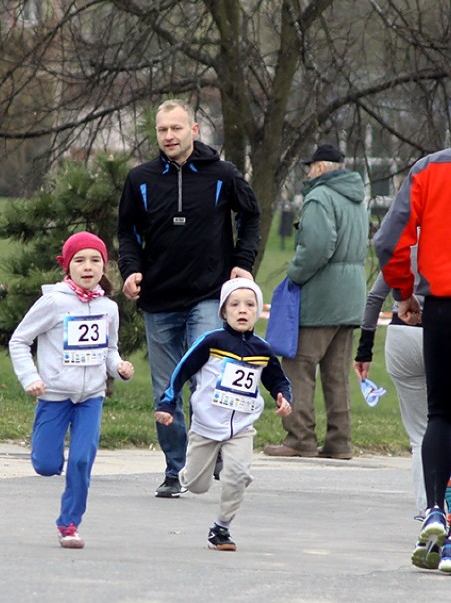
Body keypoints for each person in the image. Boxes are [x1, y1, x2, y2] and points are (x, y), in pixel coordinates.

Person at [117, 98, 261, 498]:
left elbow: (251, 215)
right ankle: (174, 468)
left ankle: (209, 448)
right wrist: (130, 271)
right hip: (159, 298)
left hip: (207, 294)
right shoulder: (140, 179)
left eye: (176, 129)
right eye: (162, 130)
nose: (169, 136)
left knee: (207, 379)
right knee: (167, 388)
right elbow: (126, 231)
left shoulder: (223, 174)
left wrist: (242, 262)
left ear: (193, 130)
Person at [9, 232, 135, 549]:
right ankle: (48, 456)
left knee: (81, 461)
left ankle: (69, 523)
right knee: (47, 465)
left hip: (91, 397)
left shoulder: (108, 307)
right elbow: (19, 341)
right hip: (54, 395)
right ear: (67, 266)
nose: (88, 267)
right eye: (80, 260)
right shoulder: (54, 301)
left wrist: (119, 368)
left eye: (95, 260)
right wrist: (30, 378)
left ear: (104, 267)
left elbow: (109, 351)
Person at [156, 278, 292, 551]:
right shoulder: (211, 342)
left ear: (257, 311)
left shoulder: (262, 350)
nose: (242, 310)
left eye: (250, 304)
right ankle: (187, 474)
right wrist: (167, 404)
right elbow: (180, 371)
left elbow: (278, 380)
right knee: (197, 486)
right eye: (235, 304)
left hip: (241, 427)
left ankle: (221, 528)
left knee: (238, 475)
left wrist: (283, 397)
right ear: (223, 311)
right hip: (206, 425)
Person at [373, 146, 451, 573]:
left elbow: (389, 241)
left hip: (440, 306)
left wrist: (404, 293)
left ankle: (436, 511)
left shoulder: (429, 168)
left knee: (439, 415)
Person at [264, 144, 368, 460]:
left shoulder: (320, 197)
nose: (307, 173)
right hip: (351, 294)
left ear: (320, 168)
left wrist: (294, 274)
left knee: (299, 365)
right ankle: (340, 442)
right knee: (336, 372)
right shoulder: (357, 199)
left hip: (322, 295)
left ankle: (300, 439)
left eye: (309, 167)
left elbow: (319, 246)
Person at [354, 262, 427, 518]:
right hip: (438, 328)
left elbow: (375, 297)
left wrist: (364, 349)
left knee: (420, 433)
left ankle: (427, 508)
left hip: (401, 336)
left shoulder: (402, 242)